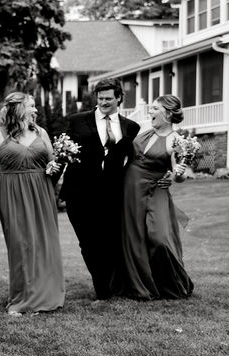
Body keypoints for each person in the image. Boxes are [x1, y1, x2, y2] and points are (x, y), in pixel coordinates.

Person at [60, 78, 140, 300]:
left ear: (119, 98)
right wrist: (51, 184)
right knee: (87, 241)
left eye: (108, 98)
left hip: (112, 193)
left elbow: (135, 160)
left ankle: (110, 283)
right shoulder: (77, 121)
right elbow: (63, 153)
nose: (103, 102)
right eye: (100, 98)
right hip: (80, 192)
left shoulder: (131, 127)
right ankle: (102, 289)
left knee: (109, 241)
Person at [0, 92, 65, 315]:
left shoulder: (41, 132)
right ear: (18, 109)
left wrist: (55, 166)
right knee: (21, 244)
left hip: (41, 191)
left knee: (43, 242)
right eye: (32, 106)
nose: (36, 110)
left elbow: (52, 162)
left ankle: (46, 295)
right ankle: (22, 298)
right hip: (13, 194)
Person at [116, 95, 194, 300]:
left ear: (168, 113)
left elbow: (181, 177)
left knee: (159, 238)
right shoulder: (143, 130)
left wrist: (177, 173)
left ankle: (171, 283)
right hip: (130, 190)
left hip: (155, 189)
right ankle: (139, 285)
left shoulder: (176, 140)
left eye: (155, 109)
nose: (150, 112)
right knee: (133, 237)